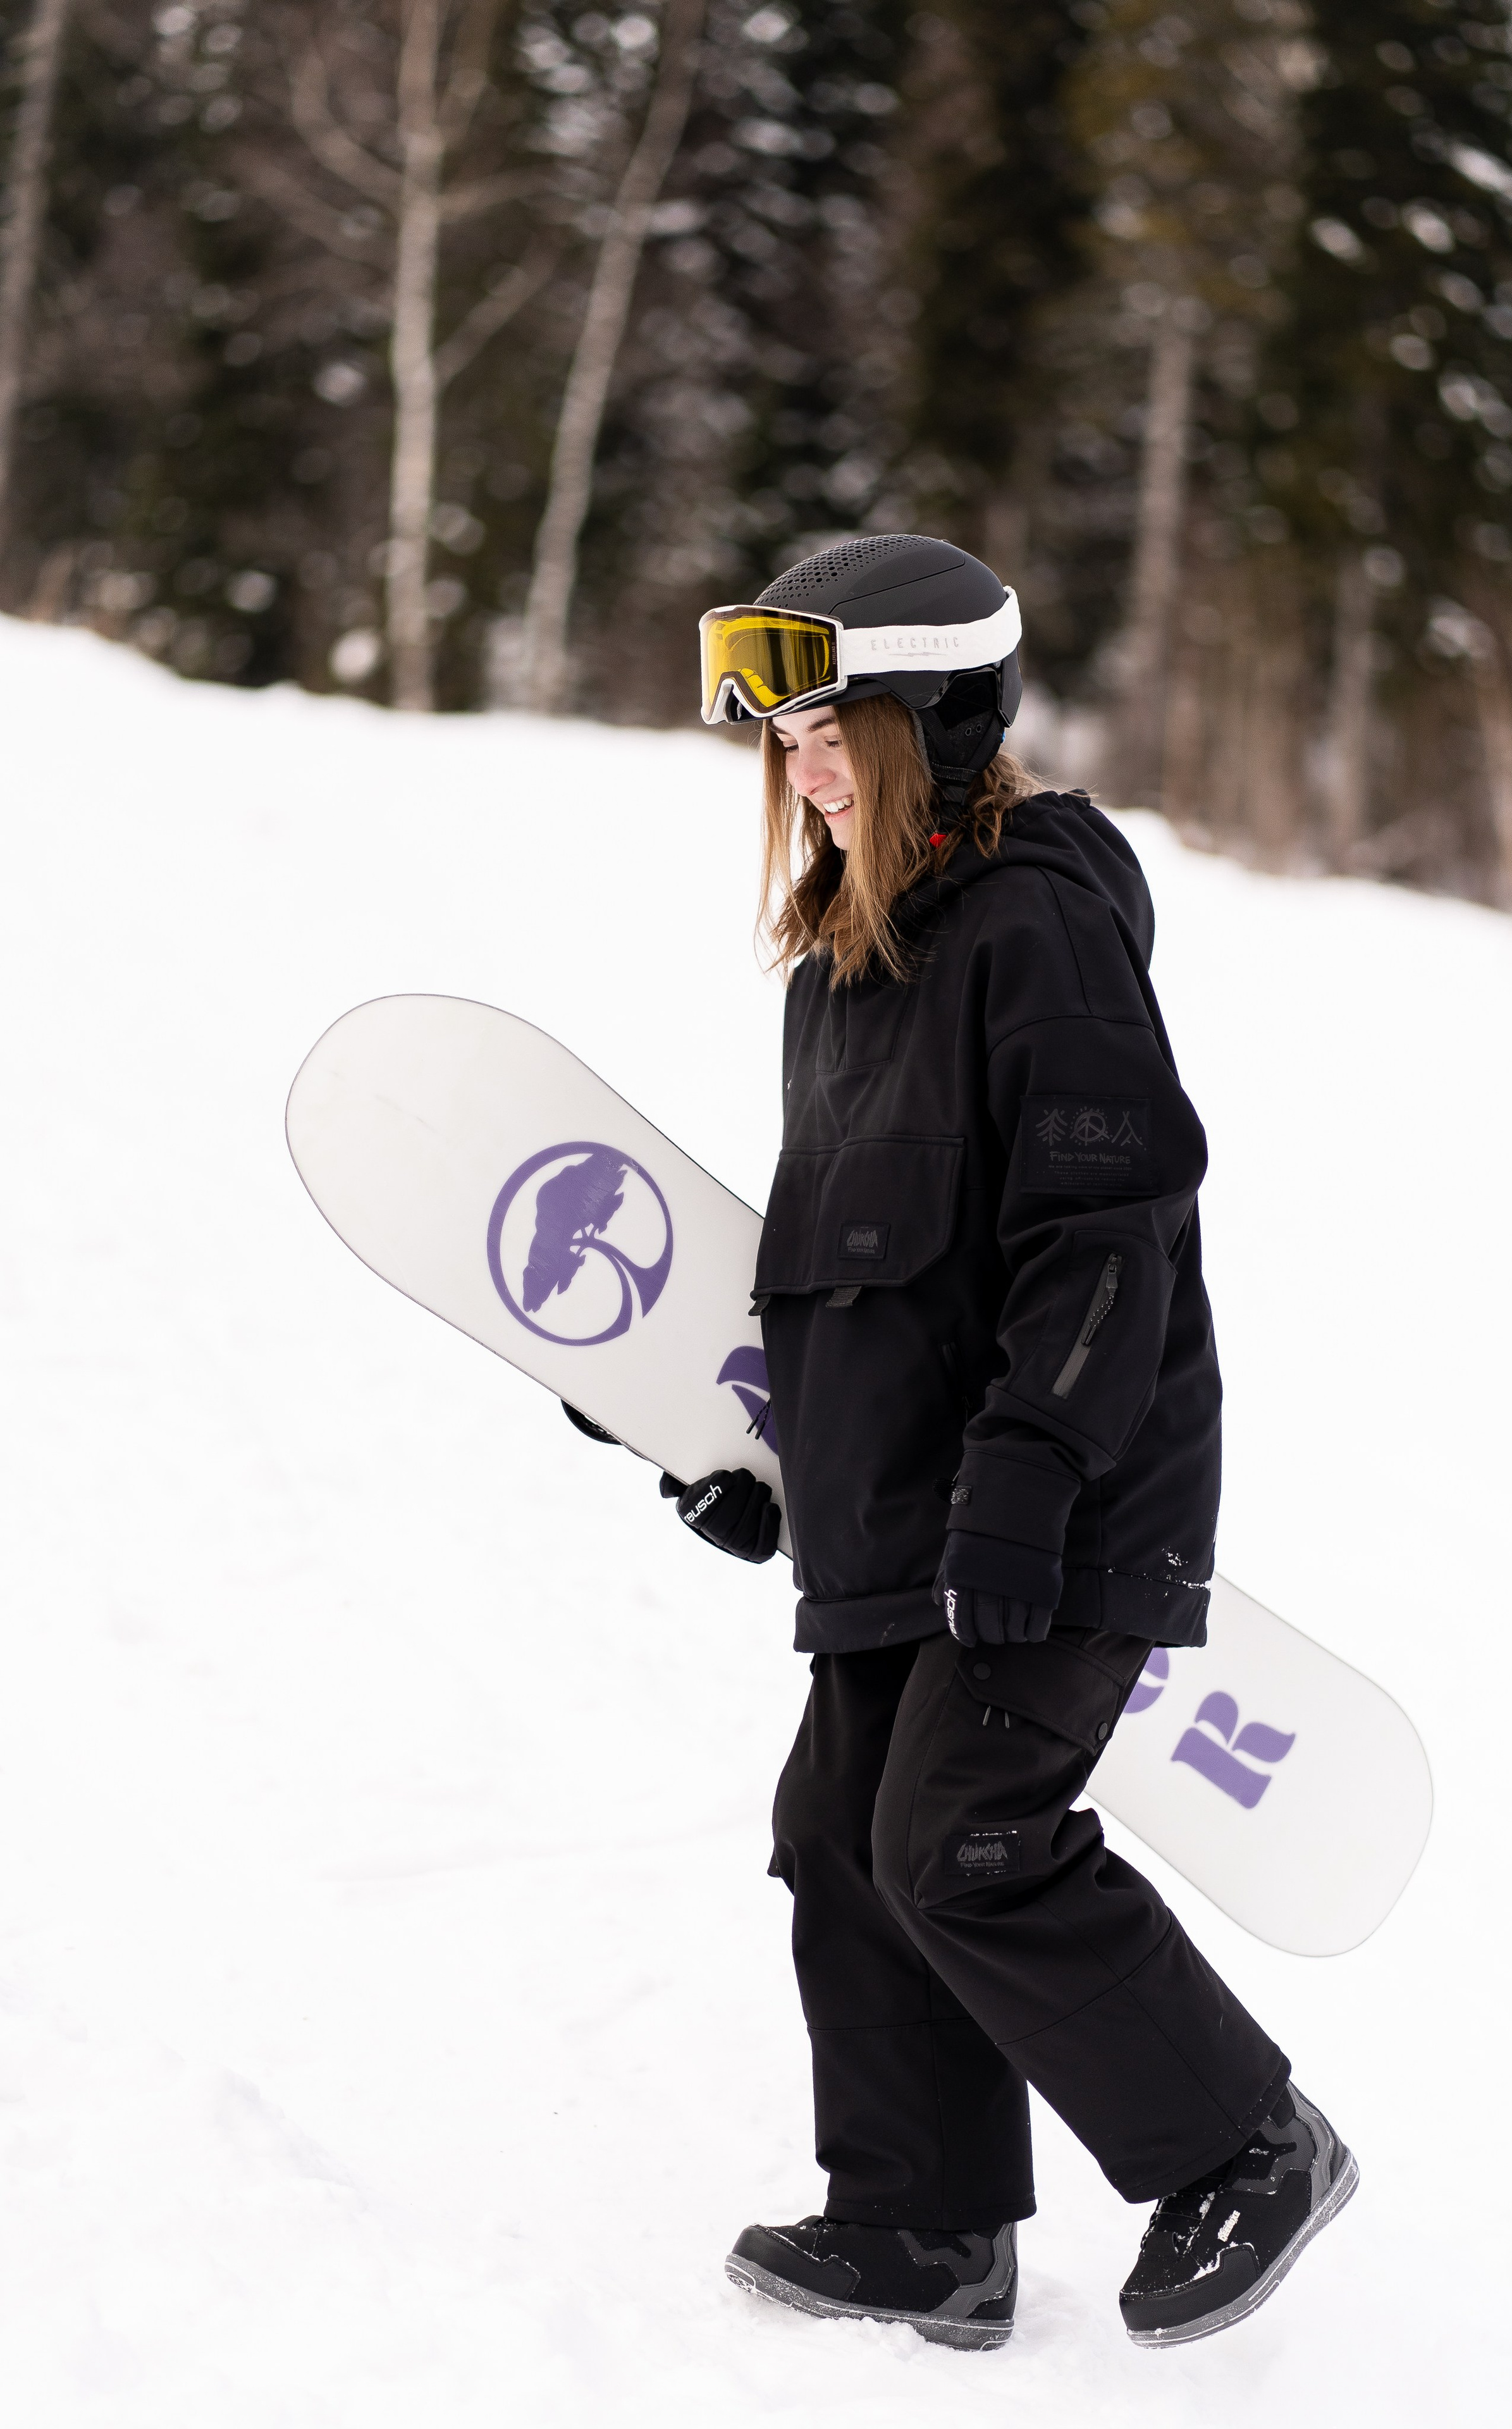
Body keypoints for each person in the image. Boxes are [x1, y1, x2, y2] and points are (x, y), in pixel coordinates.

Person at [582, 534, 1358, 2351]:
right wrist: (764, 1469)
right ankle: (926, 2220)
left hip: (1056, 1500)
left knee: (961, 1836)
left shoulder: (1036, 924)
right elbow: (856, 1292)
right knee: (841, 1831)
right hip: (900, 1523)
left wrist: (1028, 1484)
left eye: (834, 720)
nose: (803, 761)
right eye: (785, 733)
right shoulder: (839, 981)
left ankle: (1248, 2143)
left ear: (932, 718)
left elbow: (1108, 1233)